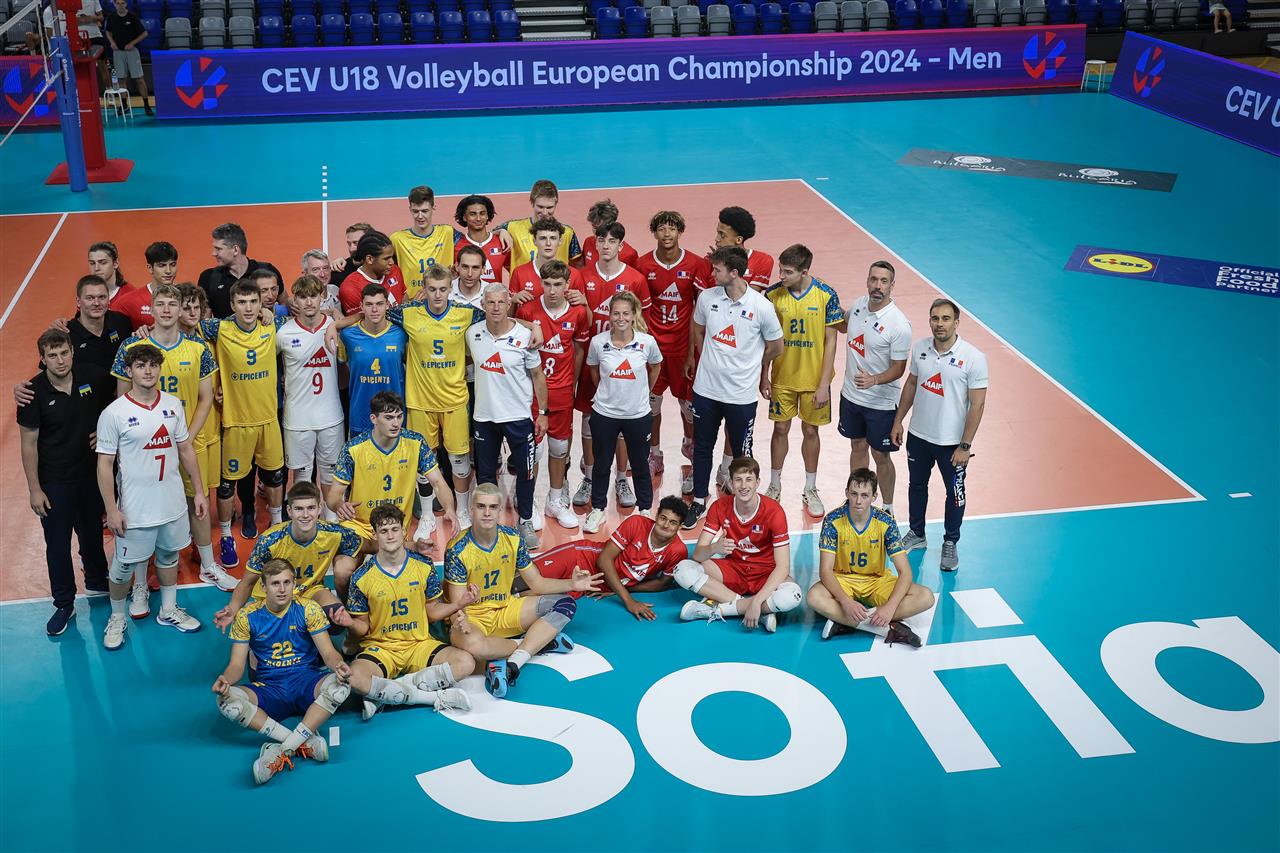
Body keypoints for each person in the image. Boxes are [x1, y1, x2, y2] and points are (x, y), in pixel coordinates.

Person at [111, 283, 234, 595]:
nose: (166, 310)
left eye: (172, 304)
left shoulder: (198, 349)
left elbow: (206, 397)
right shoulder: (131, 346)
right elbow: (121, 400)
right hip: (144, 447)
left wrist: (186, 437)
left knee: (198, 501)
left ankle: (208, 565)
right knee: (143, 510)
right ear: (151, 309)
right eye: (160, 304)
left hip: (188, 442)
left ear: (181, 310)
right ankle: (144, 577)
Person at [96, 343, 206, 650]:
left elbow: (185, 449)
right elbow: (104, 464)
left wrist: (199, 491)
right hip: (135, 508)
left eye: (153, 365)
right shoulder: (114, 413)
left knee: (169, 555)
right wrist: (111, 509)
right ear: (129, 371)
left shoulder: (172, 405)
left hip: (171, 502)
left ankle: (168, 609)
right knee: (123, 566)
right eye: (141, 366)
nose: (148, 371)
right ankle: (117, 617)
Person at [445, 484, 600, 699]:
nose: (487, 513)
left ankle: (513, 661)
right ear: (471, 509)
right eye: (481, 506)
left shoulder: (513, 538)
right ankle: (538, 643)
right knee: (473, 645)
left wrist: (571, 585)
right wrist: (460, 620)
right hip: (474, 618)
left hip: (507, 609)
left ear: (500, 510)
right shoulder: (457, 549)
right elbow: (457, 605)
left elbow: (537, 584)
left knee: (565, 604)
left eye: (493, 507)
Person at [329, 505, 475, 721]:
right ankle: (430, 697)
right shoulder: (361, 577)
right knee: (355, 678)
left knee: (466, 663)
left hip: (418, 645)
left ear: (404, 531)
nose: (390, 536)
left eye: (394, 529)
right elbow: (363, 627)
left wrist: (459, 604)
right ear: (374, 535)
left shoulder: (424, 565)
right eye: (384, 531)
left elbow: (432, 612)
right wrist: (349, 622)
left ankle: (388, 692)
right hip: (382, 649)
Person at [212, 558, 351, 785]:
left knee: (341, 686)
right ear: (263, 586)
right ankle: (301, 741)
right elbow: (236, 666)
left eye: (287, 582)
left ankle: (284, 748)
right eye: (275, 583)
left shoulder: (308, 608)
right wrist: (225, 680)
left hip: (306, 683)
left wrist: (338, 665)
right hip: (270, 689)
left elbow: (328, 653)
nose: (282, 589)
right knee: (226, 702)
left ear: (294, 584)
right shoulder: (247, 616)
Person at [17, 329, 114, 636]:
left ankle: (96, 580)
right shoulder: (32, 394)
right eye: (52, 356)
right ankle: (63, 603)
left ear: (72, 351)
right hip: (55, 482)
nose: (60, 360)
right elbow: (28, 445)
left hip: (90, 475)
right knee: (57, 545)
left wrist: (104, 430)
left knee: (92, 534)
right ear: (42, 359)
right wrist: (35, 489)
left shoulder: (93, 376)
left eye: (64, 353)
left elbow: (120, 399)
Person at [681, 247, 783, 530]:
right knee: (702, 446)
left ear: (734, 273)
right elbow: (697, 328)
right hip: (706, 391)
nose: (712, 274)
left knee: (742, 453)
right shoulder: (707, 298)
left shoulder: (761, 307)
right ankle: (699, 501)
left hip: (740, 395)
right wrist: (708, 358)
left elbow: (777, 346)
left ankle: (743, 504)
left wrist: (752, 364)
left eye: (717, 270)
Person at [891, 298, 989, 572]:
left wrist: (965, 446)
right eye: (935, 318)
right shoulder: (921, 348)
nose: (940, 324)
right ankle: (917, 533)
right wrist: (898, 421)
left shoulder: (973, 358)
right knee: (916, 486)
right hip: (919, 436)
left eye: (946, 319)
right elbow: (912, 384)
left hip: (952, 445)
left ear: (956, 322)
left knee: (954, 493)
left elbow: (978, 404)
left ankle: (950, 542)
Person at [387, 264, 484, 538]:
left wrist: (531, 326)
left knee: (459, 461)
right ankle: (428, 515)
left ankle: (462, 511)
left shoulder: (467, 313)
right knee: (424, 462)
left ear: (450, 289)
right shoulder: (407, 313)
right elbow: (374, 313)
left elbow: (498, 317)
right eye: (432, 289)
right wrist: (335, 324)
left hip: (454, 400)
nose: (438, 295)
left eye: (442, 289)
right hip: (420, 402)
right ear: (424, 289)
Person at [200, 280, 288, 543]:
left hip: (268, 419)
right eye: (242, 302)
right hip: (236, 422)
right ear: (232, 305)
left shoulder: (274, 325)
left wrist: (269, 313)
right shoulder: (219, 328)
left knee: (275, 477)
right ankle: (227, 536)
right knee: (227, 485)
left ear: (261, 304)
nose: (248, 308)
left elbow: (309, 319)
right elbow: (185, 325)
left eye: (253, 302)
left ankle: (276, 525)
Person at [571, 222, 651, 511]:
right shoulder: (581, 277)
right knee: (589, 420)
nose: (606, 246)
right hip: (593, 359)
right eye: (601, 240)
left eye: (612, 241)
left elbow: (642, 324)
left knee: (623, 421)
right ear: (594, 244)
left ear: (621, 246)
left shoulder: (635, 279)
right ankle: (590, 477)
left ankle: (621, 478)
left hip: (625, 363)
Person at [672, 457, 801, 631]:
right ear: (731, 483)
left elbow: (783, 567)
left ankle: (717, 610)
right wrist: (714, 547)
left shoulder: (774, 511)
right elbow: (698, 555)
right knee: (682, 569)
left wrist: (756, 601)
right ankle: (760, 611)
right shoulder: (719, 507)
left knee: (793, 595)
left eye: (749, 479)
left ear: (757, 482)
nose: (743, 485)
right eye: (738, 480)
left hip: (765, 572)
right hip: (734, 569)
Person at [327, 391, 457, 564]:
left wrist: (450, 509)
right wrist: (339, 505)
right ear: (374, 418)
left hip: (393, 527)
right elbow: (333, 495)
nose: (396, 423)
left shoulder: (416, 443)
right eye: (389, 418)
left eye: (399, 416)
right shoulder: (353, 449)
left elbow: (438, 483)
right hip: (359, 526)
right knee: (343, 568)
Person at [809, 469, 933, 647]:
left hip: (877, 581)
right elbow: (825, 571)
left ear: (874, 497)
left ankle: (844, 622)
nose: (858, 501)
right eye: (854, 494)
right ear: (846, 493)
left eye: (865, 495)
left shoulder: (885, 522)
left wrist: (889, 608)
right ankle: (885, 628)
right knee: (814, 597)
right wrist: (845, 601)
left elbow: (905, 572)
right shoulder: (832, 521)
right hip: (843, 579)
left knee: (925, 596)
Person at [215, 481, 361, 630]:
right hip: (275, 595)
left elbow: (367, 544)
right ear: (289, 511)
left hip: (311, 591)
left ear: (319, 508)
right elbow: (247, 582)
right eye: (299, 509)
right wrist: (232, 609)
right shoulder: (269, 540)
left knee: (336, 620)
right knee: (263, 633)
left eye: (311, 508)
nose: (305, 515)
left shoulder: (334, 533)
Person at [467, 284, 548, 549]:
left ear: (508, 304)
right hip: (484, 418)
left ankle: (525, 520)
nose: (496, 307)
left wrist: (543, 413)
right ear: (483, 305)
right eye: (491, 302)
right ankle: (488, 524)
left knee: (525, 472)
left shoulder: (525, 336)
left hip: (518, 417)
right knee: (486, 474)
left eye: (501, 302)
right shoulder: (472, 333)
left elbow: (538, 376)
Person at [763, 244, 842, 517]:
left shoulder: (826, 295)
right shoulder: (772, 295)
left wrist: (824, 385)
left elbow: (831, 341)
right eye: (780, 270)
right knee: (780, 429)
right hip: (782, 377)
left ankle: (810, 488)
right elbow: (766, 340)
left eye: (787, 272)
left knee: (811, 431)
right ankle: (774, 485)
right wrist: (764, 375)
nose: (781, 276)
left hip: (813, 380)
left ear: (804, 272)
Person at [514, 259, 591, 531]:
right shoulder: (528, 310)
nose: (552, 290)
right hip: (533, 394)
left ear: (567, 284)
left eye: (558, 284)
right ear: (541, 284)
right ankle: (530, 501)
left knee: (559, 449)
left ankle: (555, 501)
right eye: (547, 284)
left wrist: (573, 383)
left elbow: (579, 350)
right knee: (533, 451)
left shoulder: (577, 313)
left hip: (562, 393)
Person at [635, 210, 709, 492]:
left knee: (688, 407)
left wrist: (693, 351)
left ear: (680, 232)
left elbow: (701, 309)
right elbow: (638, 307)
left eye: (672, 229)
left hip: (682, 349)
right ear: (654, 233)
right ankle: (654, 454)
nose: (667, 234)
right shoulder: (643, 264)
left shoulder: (696, 264)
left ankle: (691, 451)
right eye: (662, 229)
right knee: (651, 406)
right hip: (654, 349)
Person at [582, 292, 663, 533]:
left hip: (637, 415)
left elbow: (655, 367)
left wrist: (643, 391)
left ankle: (645, 510)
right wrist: (608, 392)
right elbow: (594, 372)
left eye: (626, 313)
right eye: (616, 313)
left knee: (640, 464)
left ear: (634, 315)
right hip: (604, 414)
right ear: (609, 315)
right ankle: (598, 509)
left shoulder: (647, 342)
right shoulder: (598, 343)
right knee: (601, 464)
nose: (620, 318)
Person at [534, 495, 689, 620]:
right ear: (656, 516)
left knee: (535, 597)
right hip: (579, 557)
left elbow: (662, 584)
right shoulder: (636, 523)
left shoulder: (678, 551)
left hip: (588, 584)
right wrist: (628, 600)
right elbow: (603, 559)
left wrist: (618, 589)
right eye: (663, 518)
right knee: (527, 578)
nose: (666, 525)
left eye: (673, 522)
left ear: (680, 526)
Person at [839, 261, 911, 521]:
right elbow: (843, 324)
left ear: (892, 285)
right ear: (867, 281)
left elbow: (899, 368)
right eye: (873, 280)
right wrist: (827, 304)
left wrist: (875, 380)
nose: (877, 286)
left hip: (880, 403)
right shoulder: (859, 305)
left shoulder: (899, 324)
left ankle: (888, 508)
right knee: (857, 446)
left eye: (883, 281)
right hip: (851, 396)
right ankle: (857, 499)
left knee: (881, 455)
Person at [178, 283, 236, 567]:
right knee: (188, 493)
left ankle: (208, 541)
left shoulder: (209, 332)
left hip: (214, 425)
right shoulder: (170, 342)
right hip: (187, 431)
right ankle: (183, 547)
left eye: (196, 307)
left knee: (209, 489)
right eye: (186, 307)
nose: (192, 312)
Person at [276, 274, 343, 505]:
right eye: (302, 297)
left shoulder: (334, 325)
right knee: (302, 476)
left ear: (322, 297)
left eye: (313, 296)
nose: (308, 302)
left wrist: (337, 319)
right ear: (295, 300)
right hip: (298, 419)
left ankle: (331, 520)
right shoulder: (284, 333)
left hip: (331, 416)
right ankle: (303, 519)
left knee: (331, 474)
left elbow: (358, 317)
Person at [336, 282, 407, 436]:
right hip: (360, 414)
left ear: (387, 305)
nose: (374, 310)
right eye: (369, 304)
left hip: (394, 416)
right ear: (361, 306)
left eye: (379, 304)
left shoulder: (401, 334)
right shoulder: (347, 336)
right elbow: (340, 367)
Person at [198, 223, 283, 320]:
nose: (214, 253)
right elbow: (204, 321)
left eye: (218, 249)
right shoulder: (208, 278)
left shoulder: (267, 270)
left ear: (235, 250)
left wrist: (292, 302)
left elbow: (285, 303)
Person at [500, 179, 582, 273]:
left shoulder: (567, 233)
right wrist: (501, 231)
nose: (545, 212)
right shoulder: (512, 228)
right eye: (540, 207)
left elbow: (577, 266)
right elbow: (488, 237)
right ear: (532, 203)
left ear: (556, 205)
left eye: (549, 207)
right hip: (523, 282)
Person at [390, 185, 456, 295]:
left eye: (425, 211)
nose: (420, 216)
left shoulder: (448, 233)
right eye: (415, 211)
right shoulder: (397, 239)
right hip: (412, 301)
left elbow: (470, 242)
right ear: (410, 209)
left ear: (433, 208)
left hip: (443, 299)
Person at [508, 218, 586, 305]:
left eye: (553, 238)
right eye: (543, 238)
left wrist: (584, 302)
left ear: (560, 241)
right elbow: (509, 312)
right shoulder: (519, 273)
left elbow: (582, 310)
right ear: (534, 241)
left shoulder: (574, 275)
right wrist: (513, 301)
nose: (548, 243)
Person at [113, 240, 179, 331]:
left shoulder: (186, 297)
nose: (168, 271)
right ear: (150, 268)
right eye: (162, 265)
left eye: (173, 265)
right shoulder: (129, 302)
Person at [338, 231, 408, 315]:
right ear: (370, 259)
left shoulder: (394, 270)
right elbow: (359, 321)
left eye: (392, 257)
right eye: (386, 259)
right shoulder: (350, 288)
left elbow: (404, 299)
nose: (392, 262)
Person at [104, 0, 151, 115]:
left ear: (126, 4)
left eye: (122, 3)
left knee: (139, 78)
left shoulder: (132, 17)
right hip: (118, 52)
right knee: (121, 79)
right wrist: (112, 42)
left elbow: (144, 33)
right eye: (118, 3)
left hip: (132, 52)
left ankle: (146, 105)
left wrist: (132, 43)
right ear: (114, 4)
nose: (120, 5)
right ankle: (124, 105)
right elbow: (108, 32)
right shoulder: (112, 17)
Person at [711, 206, 773, 290]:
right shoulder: (711, 262)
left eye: (722, 235)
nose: (716, 239)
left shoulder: (762, 260)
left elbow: (751, 295)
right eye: (717, 232)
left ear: (739, 240)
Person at [453, 194, 509, 285]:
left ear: (487, 216)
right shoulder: (456, 245)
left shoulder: (502, 242)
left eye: (482, 213)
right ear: (464, 217)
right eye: (473, 214)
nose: (478, 218)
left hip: (494, 294)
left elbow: (514, 271)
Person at [580, 199, 640, 268]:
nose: (597, 233)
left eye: (602, 228)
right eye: (595, 227)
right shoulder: (588, 242)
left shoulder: (629, 254)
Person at [330, 222, 374, 288]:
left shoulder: (382, 267)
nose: (351, 249)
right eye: (349, 244)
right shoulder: (339, 272)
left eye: (356, 243)